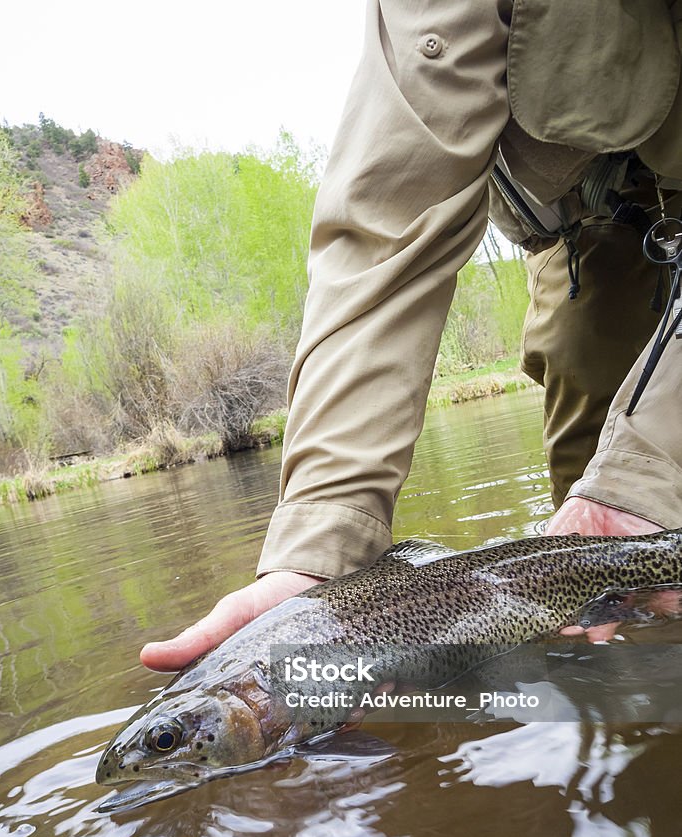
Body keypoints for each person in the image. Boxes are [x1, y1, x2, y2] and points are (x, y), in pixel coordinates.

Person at [141, 0, 682, 672]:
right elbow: (385, 231)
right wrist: (323, 537)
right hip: (579, 231)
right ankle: (631, 720)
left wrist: (647, 479)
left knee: (645, 492)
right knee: (598, 524)